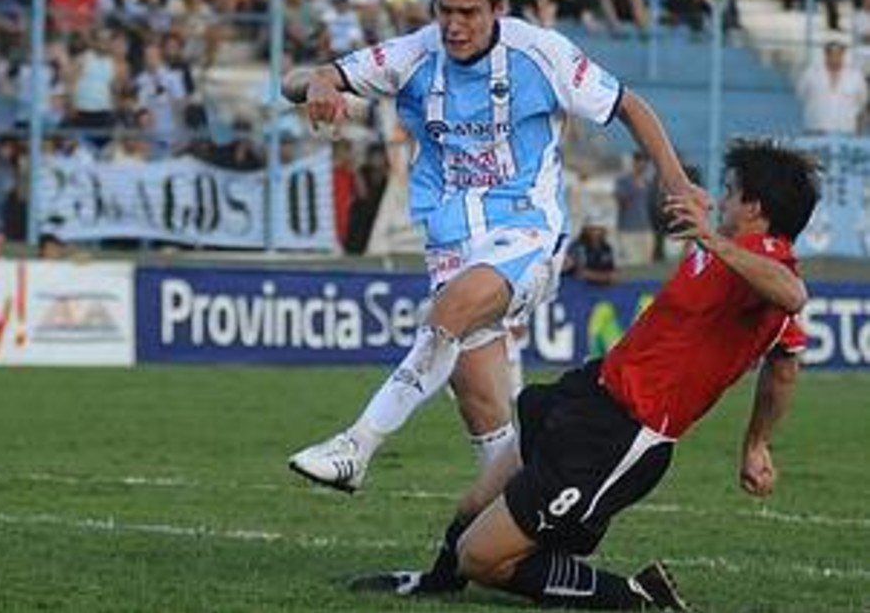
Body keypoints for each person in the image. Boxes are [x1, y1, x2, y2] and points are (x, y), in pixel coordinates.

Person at [281, 0, 704, 493]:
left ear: (498, 9)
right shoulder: (415, 53)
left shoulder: (540, 53)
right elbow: (292, 83)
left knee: (449, 310)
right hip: (450, 241)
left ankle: (357, 445)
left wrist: (676, 182)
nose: (455, 26)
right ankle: (521, 530)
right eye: (444, 12)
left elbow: (629, 106)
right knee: (483, 408)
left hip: (529, 229)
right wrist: (321, 78)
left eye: (469, 13)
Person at [350, 139, 819, 611]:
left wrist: (757, 443)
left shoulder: (765, 258)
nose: (721, 201)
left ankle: (635, 597)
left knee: (481, 558)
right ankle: (439, 581)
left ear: (755, 207)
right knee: (475, 504)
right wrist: (755, 442)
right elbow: (780, 364)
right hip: (592, 390)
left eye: (731, 192)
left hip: (623, 434)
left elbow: (793, 296)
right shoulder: (730, 251)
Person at [614, 150, 655, 266]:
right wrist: (635, 188)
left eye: (645, 162)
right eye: (639, 161)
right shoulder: (622, 181)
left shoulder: (649, 182)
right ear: (634, 163)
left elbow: (653, 205)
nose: (642, 165)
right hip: (627, 229)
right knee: (630, 264)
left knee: (646, 264)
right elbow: (620, 202)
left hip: (646, 229)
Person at [563, 216, 617, 285]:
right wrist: (602, 276)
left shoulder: (606, 248)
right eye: (592, 229)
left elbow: (612, 273)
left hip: (601, 286)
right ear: (586, 230)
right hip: (579, 287)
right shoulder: (578, 247)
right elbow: (580, 273)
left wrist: (604, 276)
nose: (595, 233)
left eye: (599, 229)